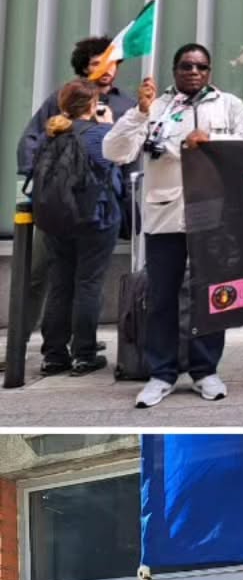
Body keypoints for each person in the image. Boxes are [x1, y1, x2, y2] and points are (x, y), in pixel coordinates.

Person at [102, 44, 243, 408]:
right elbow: (114, 152)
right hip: (165, 217)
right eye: (186, 66)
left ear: (209, 72)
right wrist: (138, 114)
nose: (194, 71)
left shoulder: (228, 105)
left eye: (201, 66)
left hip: (213, 218)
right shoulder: (155, 107)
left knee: (212, 296)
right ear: (175, 70)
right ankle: (162, 373)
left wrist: (215, 140)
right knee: (161, 298)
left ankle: (205, 370)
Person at [15, 33, 138, 362]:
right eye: (99, 63)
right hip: (79, 211)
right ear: (85, 68)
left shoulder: (123, 103)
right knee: (59, 278)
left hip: (74, 210)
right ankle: (67, 349)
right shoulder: (67, 100)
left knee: (64, 281)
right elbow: (31, 147)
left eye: (112, 63)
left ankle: (54, 352)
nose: (107, 70)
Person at [32, 79, 123, 377]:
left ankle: (54, 355)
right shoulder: (100, 134)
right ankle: (84, 354)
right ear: (92, 105)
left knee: (60, 285)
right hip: (95, 220)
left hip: (56, 221)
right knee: (88, 285)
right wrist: (109, 126)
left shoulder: (53, 134)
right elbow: (114, 163)